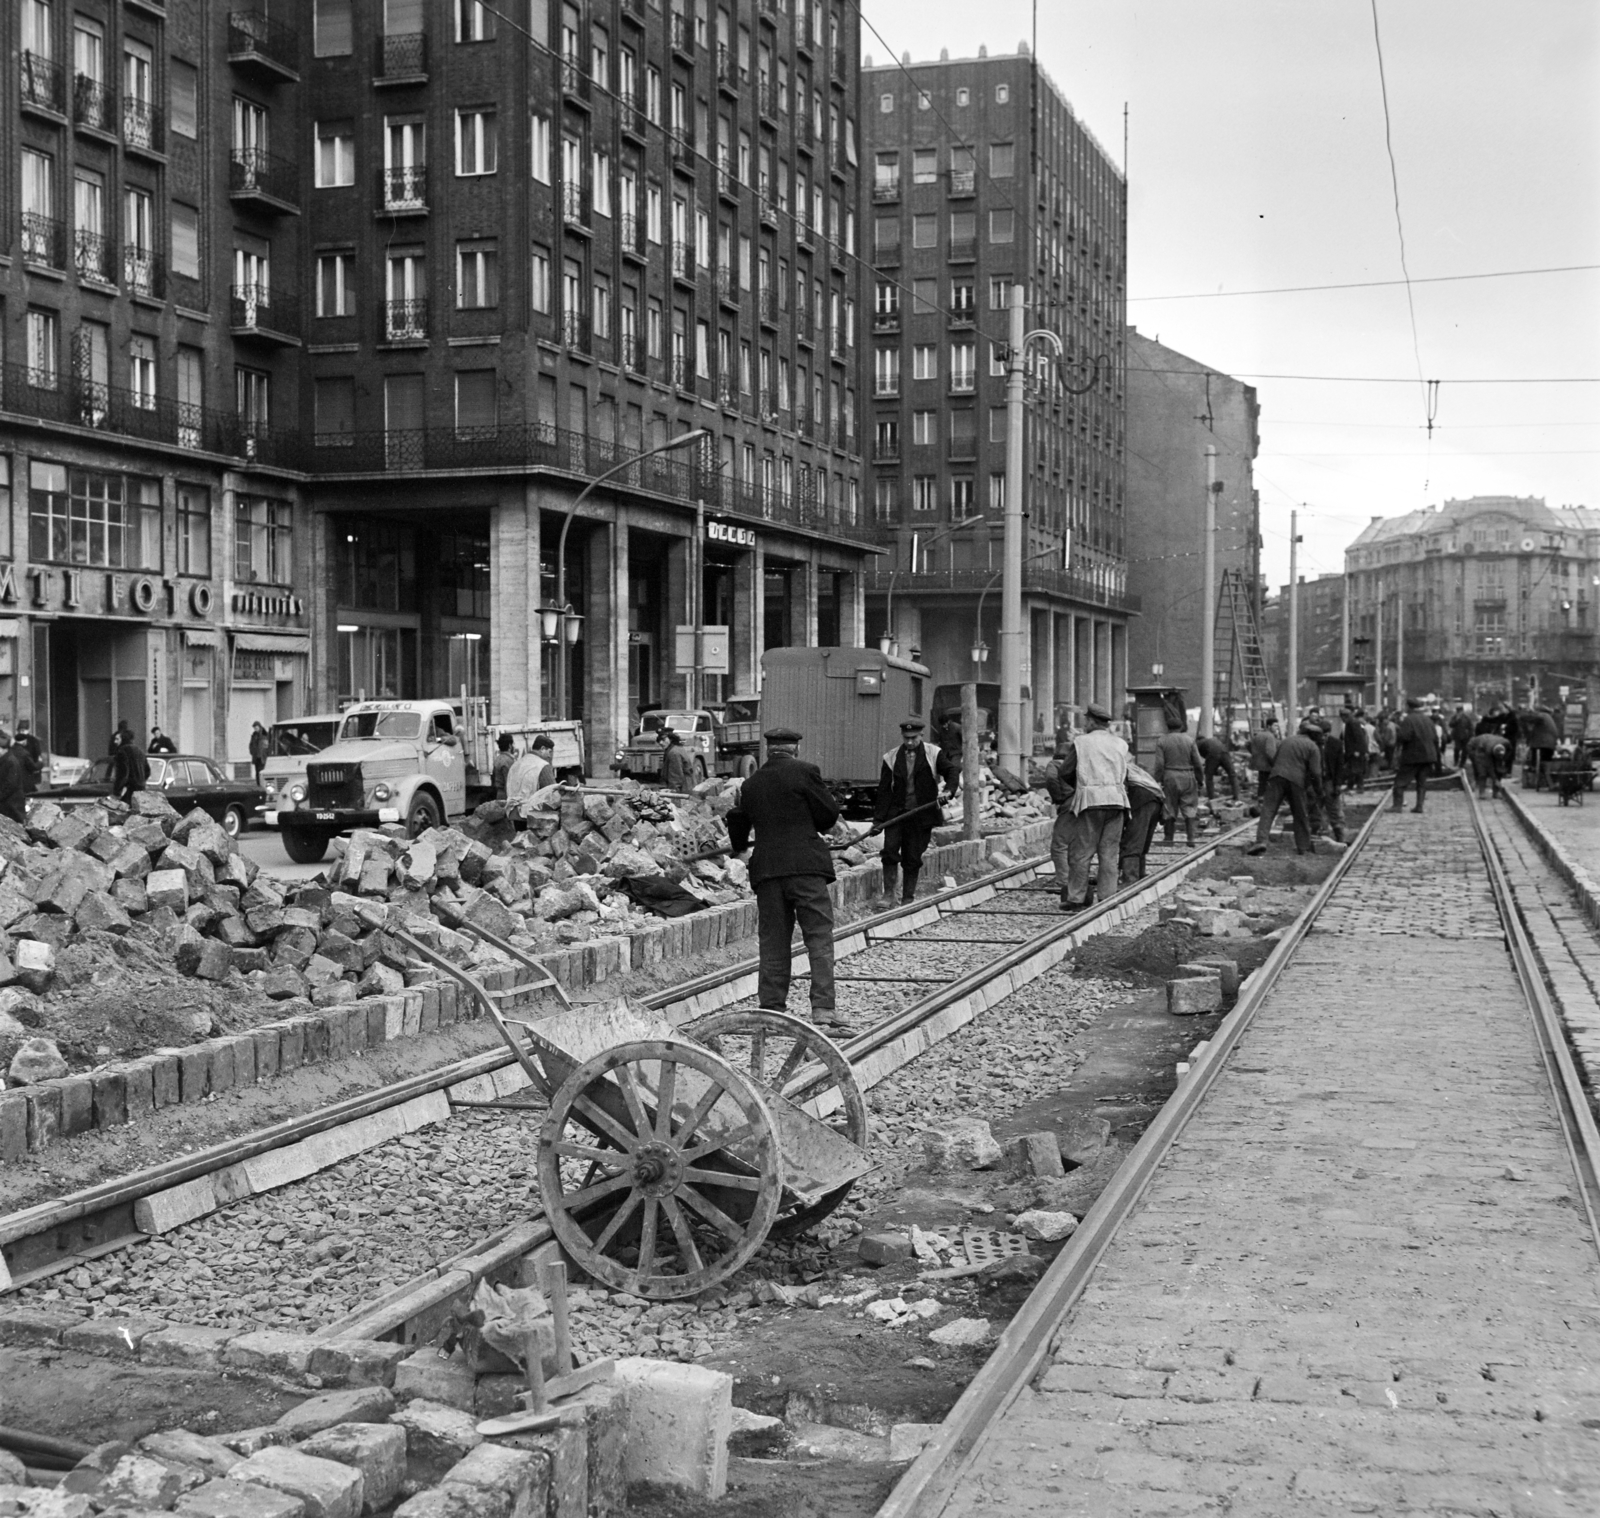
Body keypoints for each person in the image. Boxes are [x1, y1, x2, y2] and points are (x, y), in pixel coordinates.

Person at [726, 726, 842, 1027]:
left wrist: (740, 845)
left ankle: (772, 1008)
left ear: (768, 751)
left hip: (767, 870)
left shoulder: (751, 784)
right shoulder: (806, 772)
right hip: (806, 867)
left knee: (773, 940)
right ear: (796, 749)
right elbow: (828, 816)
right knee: (818, 936)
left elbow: (738, 822)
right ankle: (823, 1009)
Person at [873, 717, 956, 904]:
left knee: (912, 856)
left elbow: (951, 771)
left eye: (914, 738)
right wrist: (878, 821)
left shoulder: (933, 753)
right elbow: (884, 791)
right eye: (906, 738)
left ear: (921, 735)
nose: (910, 742)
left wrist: (948, 791)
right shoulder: (891, 757)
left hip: (922, 816)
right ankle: (888, 895)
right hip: (897, 814)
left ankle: (908, 898)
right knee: (889, 852)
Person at [1058, 702, 1130, 911]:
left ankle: (1077, 897)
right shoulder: (1120, 744)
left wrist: (1081, 787)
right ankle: (1107, 898)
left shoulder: (1081, 742)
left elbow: (1065, 771)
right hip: (1117, 801)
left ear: (1090, 721)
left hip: (1090, 801)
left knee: (1082, 852)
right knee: (1109, 853)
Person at [1249, 718, 1323, 856]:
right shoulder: (1313, 747)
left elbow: (1276, 759)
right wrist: (1318, 790)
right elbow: (1315, 773)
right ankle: (1303, 847)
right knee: (1300, 813)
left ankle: (1261, 842)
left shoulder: (1287, 741)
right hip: (1296, 781)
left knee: (1268, 810)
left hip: (1276, 777)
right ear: (1315, 736)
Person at [1152, 712, 1203, 847]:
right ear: (1181, 727)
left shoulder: (1162, 740)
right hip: (1188, 775)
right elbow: (1197, 763)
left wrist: (1156, 780)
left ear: (1167, 727)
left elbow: (1159, 765)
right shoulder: (1190, 740)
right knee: (1190, 807)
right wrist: (1200, 779)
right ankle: (1191, 839)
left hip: (1170, 776)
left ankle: (1169, 839)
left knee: (1169, 807)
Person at [1119, 762, 1165, 887]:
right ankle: (1140, 873)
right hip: (1155, 797)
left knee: (1133, 838)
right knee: (1142, 837)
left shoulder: (1115, 765)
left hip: (1142, 795)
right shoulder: (1128, 765)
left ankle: (1130, 878)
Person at [1043, 730, 1077, 905]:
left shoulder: (1055, 765)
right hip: (1082, 804)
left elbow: (1050, 779)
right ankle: (1077, 880)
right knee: (1077, 844)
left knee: (1059, 845)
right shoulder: (1077, 765)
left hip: (1068, 804)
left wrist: (1058, 798)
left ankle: (1064, 882)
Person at [1391, 696, 1438, 813]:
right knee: (1422, 782)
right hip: (1428, 756)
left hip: (1413, 756)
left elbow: (1404, 737)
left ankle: (1397, 806)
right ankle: (1419, 806)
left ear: (1408, 707)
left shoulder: (1408, 720)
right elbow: (1435, 738)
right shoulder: (1428, 720)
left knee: (1400, 781)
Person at [505, 734, 557, 815]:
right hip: (532, 815)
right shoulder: (542, 765)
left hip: (512, 812)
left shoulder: (516, 764)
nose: (550, 756)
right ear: (542, 749)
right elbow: (552, 793)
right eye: (549, 752)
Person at [1521, 704, 1560, 786]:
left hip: (1543, 744)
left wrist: (1524, 713)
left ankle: (1536, 780)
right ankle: (1545, 781)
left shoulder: (1542, 716)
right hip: (1549, 744)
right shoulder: (1549, 718)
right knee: (1546, 763)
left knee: (1538, 763)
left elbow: (1527, 718)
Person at [1466, 731, 1511, 799]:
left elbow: (1508, 755)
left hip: (1485, 744)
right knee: (1482, 771)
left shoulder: (1507, 743)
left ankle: (1495, 793)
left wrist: (1503, 766)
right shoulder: (1488, 750)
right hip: (1475, 748)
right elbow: (1489, 766)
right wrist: (1495, 780)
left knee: (1498, 770)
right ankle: (1482, 792)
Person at [110, 728, 149, 804]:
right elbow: (147, 771)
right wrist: (140, 781)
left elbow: (122, 774)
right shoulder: (139, 751)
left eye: (117, 739)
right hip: (140, 792)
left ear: (123, 739)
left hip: (129, 792)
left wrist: (117, 792)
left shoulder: (122, 751)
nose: (115, 742)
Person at [1198, 732, 1239, 803]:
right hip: (1224, 751)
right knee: (1232, 774)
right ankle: (1236, 797)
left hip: (1212, 754)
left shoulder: (1198, 743)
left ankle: (1211, 799)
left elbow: (1197, 759)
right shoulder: (1210, 740)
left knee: (1209, 777)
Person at [1248, 717, 1280, 797]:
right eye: (1275, 725)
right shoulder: (1270, 736)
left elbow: (1248, 744)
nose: (1277, 728)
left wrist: (1254, 754)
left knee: (1262, 782)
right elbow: (1270, 752)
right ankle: (1267, 799)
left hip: (1258, 763)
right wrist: (1275, 764)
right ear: (1269, 726)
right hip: (1267, 764)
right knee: (1270, 782)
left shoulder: (1259, 734)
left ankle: (1260, 798)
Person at [0, 732, 27, 825]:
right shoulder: (7, 760)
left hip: (12, 808)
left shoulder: (10, 762)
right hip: (9, 807)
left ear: (3, 749)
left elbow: (10, 785)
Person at [1341, 706, 1369, 790]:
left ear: (1345, 716)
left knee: (1357, 769)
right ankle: (1351, 786)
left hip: (1355, 751)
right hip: (1352, 751)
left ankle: (1359, 787)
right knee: (1351, 769)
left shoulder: (1353, 723)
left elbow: (1359, 738)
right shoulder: (1351, 723)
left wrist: (1358, 751)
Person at [11, 719, 42, 795]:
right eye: (20, 730)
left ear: (28, 730)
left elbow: (37, 756)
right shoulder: (32, 741)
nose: (21, 732)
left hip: (30, 771)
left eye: (23, 730)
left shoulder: (34, 741)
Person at [491, 733, 516, 800]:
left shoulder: (498, 759)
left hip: (499, 794)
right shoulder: (509, 761)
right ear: (510, 746)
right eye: (513, 744)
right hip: (507, 796)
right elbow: (509, 783)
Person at [1449, 704, 1475, 769]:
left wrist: (1471, 735)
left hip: (1465, 736)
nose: (1459, 712)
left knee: (1465, 751)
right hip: (1457, 736)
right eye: (1458, 710)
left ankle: (1462, 763)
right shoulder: (1454, 717)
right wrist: (1456, 720)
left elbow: (1471, 727)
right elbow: (1451, 725)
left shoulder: (1466, 717)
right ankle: (1456, 761)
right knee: (1457, 749)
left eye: (1460, 710)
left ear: (1462, 710)